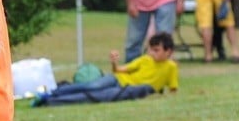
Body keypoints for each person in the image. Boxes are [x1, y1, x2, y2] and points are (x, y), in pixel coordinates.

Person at [30, 32, 178, 106]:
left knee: (92, 95)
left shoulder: (171, 67)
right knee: (91, 86)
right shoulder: (145, 59)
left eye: (156, 50)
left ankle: (51, 100)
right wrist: (114, 63)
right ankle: (52, 92)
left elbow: (173, 89)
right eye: (151, 49)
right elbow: (120, 70)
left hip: (126, 89)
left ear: (168, 51)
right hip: (117, 79)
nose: (152, 53)